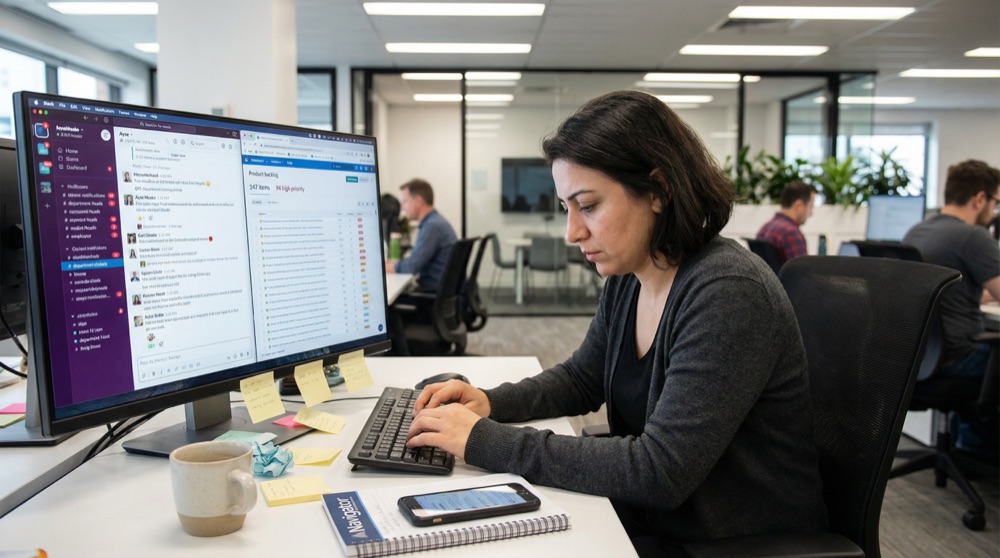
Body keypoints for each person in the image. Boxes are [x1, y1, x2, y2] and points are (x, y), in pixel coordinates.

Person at [405, 91, 828, 554]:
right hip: (656, 517)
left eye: (588, 205)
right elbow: (581, 378)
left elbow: (660, 471)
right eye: (567, 208)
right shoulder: (632, 276)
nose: (573, 232)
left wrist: (485, 441)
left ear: (658, 191)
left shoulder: (727, 291)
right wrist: (488, 402)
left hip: (729, 537)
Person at [903, 159, 1000, 452]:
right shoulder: (974, 236)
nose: (994, 211)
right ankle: (974, 443)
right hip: (956, 358)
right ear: (979, 198)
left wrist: (981, 294)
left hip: (919, 357)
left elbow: (944, 291)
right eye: (995, 202)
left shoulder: (916, 231)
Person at [384, 178, 457, 291]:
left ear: (418, 201)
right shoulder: (434, 222)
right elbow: (416, 259)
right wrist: (396, 263)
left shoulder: (432, 226)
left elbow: (413, 265)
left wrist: (387, 267)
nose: (402, 207)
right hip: (440, 292)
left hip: (432, 293)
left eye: (405, 202)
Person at [755, 180, 816, 265]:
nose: (811, 213)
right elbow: (802, 274)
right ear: (798, 205)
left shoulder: (765, 227)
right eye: (811, 206)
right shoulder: (791, 233)